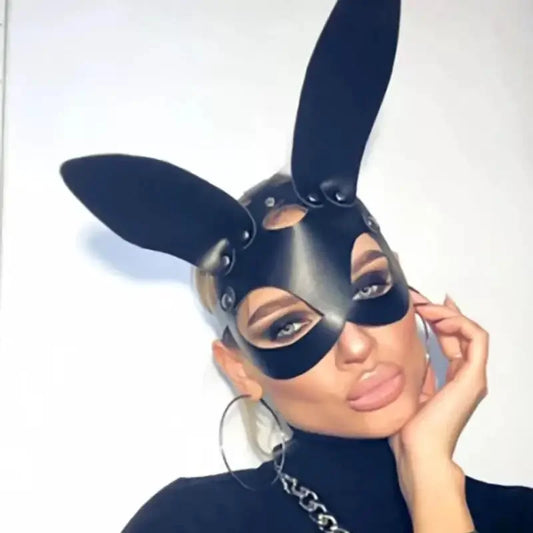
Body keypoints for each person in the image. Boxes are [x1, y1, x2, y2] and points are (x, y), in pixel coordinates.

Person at [59, 1, 533, 531]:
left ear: (413, 298)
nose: (356, 346)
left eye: (370, 286)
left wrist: (432, 480)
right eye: (286, 326)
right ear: (240, 369)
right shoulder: (190, 523)